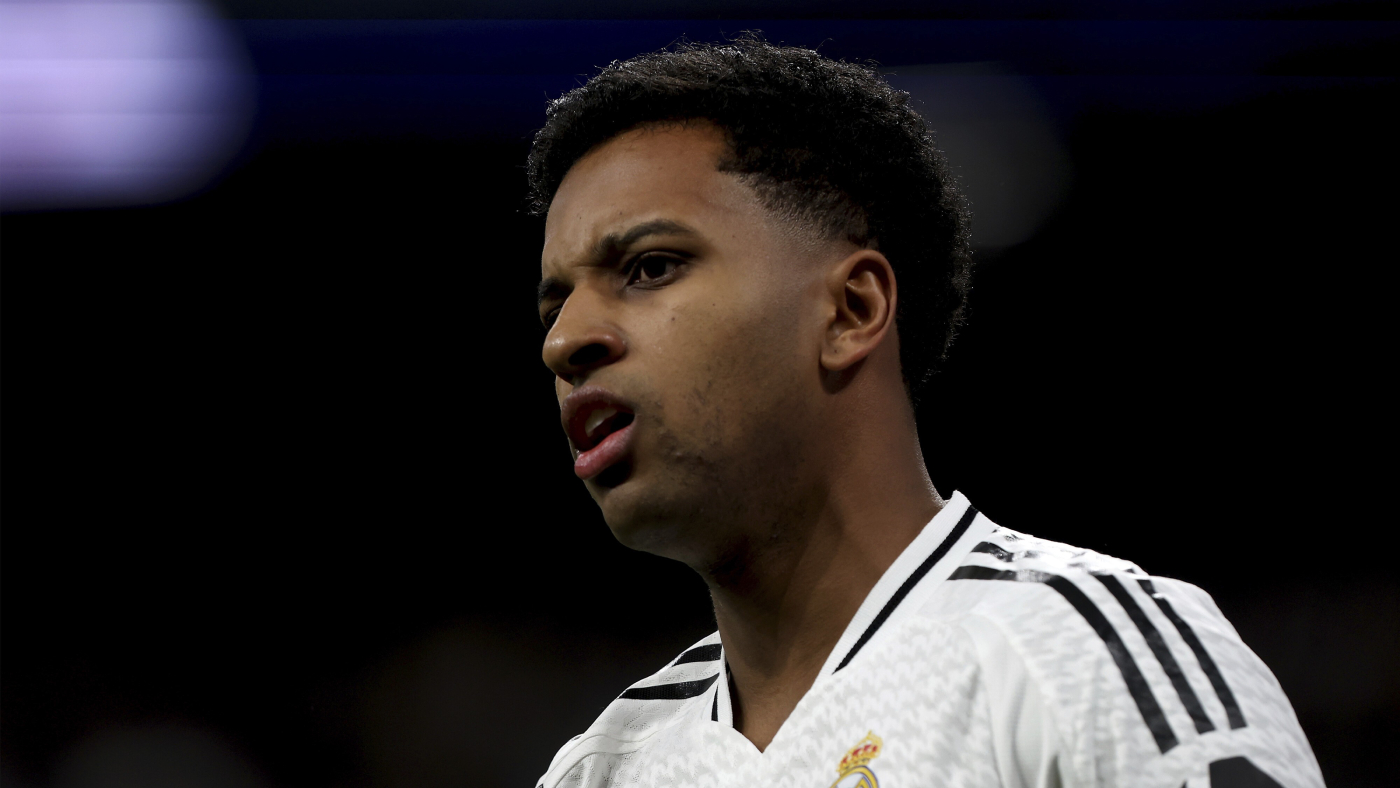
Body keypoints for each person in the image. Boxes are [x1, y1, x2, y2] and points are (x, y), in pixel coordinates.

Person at [528, 37, 1322, 788]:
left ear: (851, 310)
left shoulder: (1082, 654)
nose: (564, 342)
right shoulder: (601, 768)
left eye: (650, 267)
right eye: (554, 306)